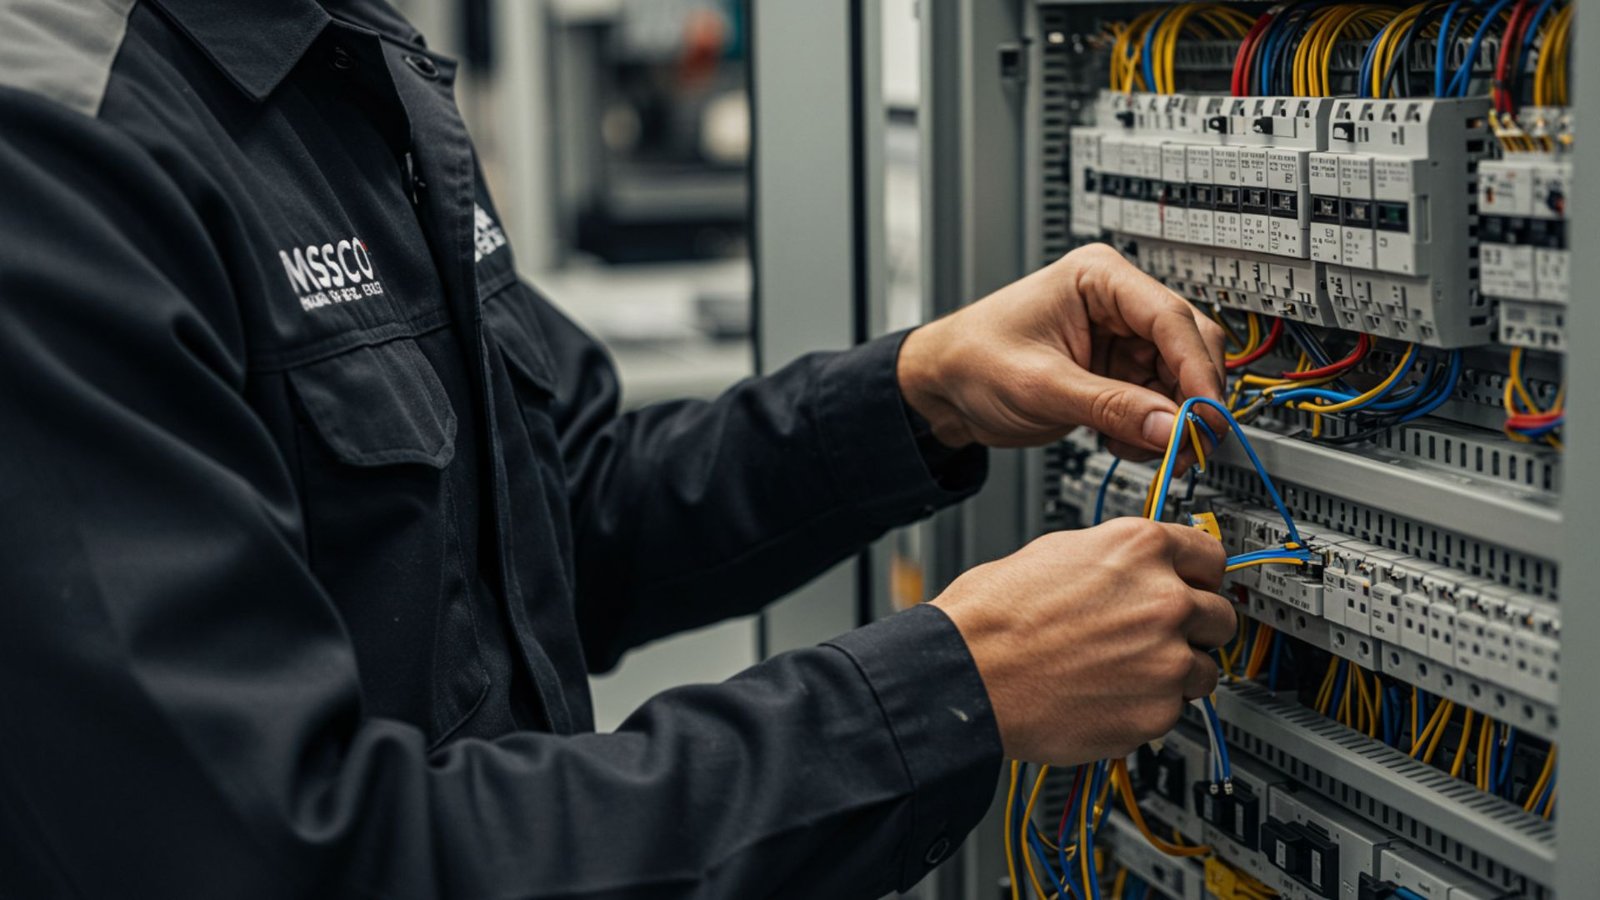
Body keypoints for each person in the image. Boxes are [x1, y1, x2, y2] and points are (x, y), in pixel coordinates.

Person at [0, 1, 1235, 897]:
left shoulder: (345, 60)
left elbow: (552, 523)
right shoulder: (54, 148)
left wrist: (915, 394)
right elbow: (283, 857)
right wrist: (956, 688)